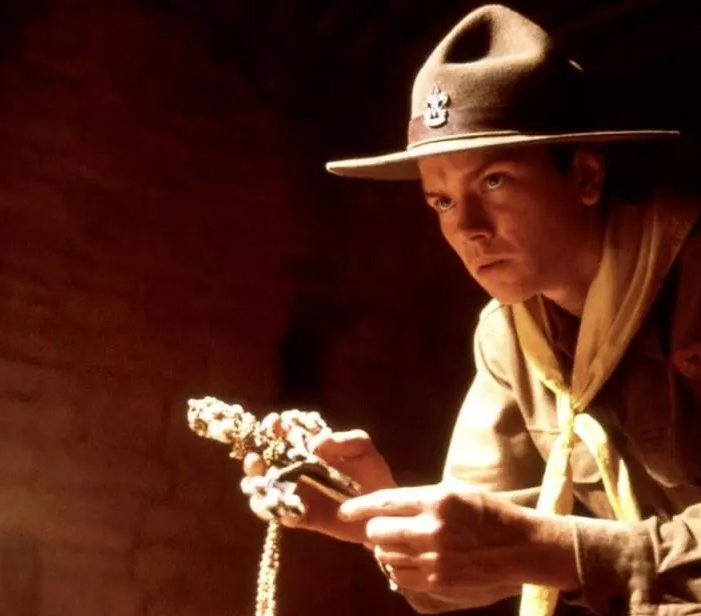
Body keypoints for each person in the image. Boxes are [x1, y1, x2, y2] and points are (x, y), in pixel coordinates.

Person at [244, 4, 701, 615]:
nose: (468, 229)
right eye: (441, 201)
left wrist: (553, 550)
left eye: (494, 182)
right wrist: (373, 510)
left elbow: (531, 547)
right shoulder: (511, 333)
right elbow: (468, 563)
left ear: (586, 176)